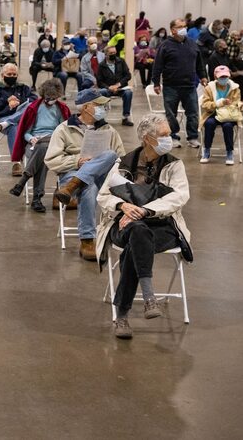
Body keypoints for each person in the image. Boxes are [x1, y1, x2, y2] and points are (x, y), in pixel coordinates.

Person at [96, 114, 192, 339]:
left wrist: (146, 211)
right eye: (164, 135)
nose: (170, 139)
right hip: (125, 224)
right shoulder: (124, 162)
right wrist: (123, 205)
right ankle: (149, 297)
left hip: (162, 227)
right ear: (148, 139)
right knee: (137, 233)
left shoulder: (174, 165)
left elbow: (180, 197)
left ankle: (122, 314)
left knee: (136, 240)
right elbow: (103, 196)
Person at [46, 88, 126, 260]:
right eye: (99, 105)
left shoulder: (109, 130)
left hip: (100, 177)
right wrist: (77, 161)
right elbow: (51, 160)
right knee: (88, 187)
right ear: (86, 107)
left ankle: (74, 185)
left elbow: (121, 157)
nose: (104, 108)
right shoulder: (64, 129)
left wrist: (101, 164)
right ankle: (87, 240)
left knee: (110, 154)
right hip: (71, 173)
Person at [9, 79, 70, 212]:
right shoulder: (33, 108)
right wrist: (31, 139)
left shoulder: (62, 109)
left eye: (53, 98)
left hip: (55, 141)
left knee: (44, 149)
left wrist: (54, 138)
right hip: (35, 144)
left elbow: (64, 130)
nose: (50, 100)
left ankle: (24, 181)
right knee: (43, 152)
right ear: (43, 95)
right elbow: (25, 132)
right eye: (48, 97)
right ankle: (36, 197)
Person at [152, 18, 206, 148]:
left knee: (193, 113)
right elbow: (157, 65)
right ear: (173, 30)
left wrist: (203, 76)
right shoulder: (165, 45)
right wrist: (156, 83)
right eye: (180, 26)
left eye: (184, 26)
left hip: (189, 86)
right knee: (171, 114)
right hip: (171, 86)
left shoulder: (193, 44)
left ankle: (192, 137)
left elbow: (199, 63)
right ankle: (173, 136)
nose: (184, 29)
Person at [0, 63, 37, 175]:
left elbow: (34, 100)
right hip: (2, 118)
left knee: (31, 105)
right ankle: (16, 162)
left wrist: (18, 102)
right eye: (9, 74)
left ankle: (6, 123)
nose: (12, 76)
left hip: (22, 118)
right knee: (14, 126)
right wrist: (6, 101)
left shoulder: (23, 88)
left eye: (14, 74)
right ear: (3, 75)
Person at [199, 65, 241, 165]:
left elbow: (237, 102)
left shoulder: (235, 88)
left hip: (229, 115)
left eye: (225, 76)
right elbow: (205, 105)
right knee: (209, 123)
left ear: (229, 76)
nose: (223, 79)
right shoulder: (209, 88)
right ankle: (207, 150)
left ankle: (229, 152)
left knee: (227, 126)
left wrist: (233, 104)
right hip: (213, 113)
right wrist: (218, 103)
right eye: (221, 77)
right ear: (216, 77)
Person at [96, 45, 134, 126]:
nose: (113, 54)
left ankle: (125, 117)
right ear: (106, 54)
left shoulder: (121, 61)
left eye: (114, 53)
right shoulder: (101, 65)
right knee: (101, 92)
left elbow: (128, 75)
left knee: (128, 93)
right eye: (111, 53)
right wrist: (109, 87)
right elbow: (99, 81)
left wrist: (118, 85)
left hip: (121, 88)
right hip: (108, 89)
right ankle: (100, 118)